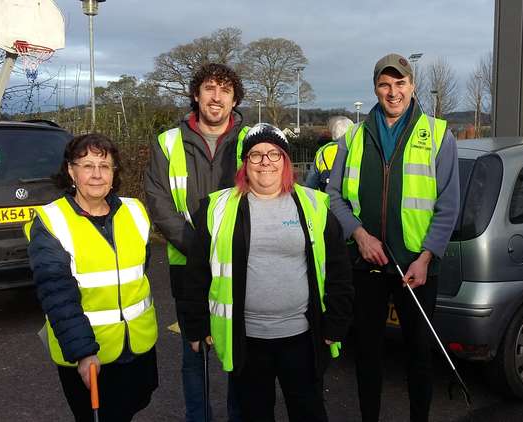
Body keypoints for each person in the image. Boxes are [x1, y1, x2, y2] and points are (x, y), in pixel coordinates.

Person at [176, 123, 355, 422]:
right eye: (256, 155)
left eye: (274, 154)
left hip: (301, 337)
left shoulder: (314, 205)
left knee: (308, 412)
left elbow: (339, 270)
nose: (265, 162)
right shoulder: (216, 207)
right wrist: (195, 326)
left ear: (285, 161)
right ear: (245, 164)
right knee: (254, 414)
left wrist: (336, 324)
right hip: (246, 340)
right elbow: (196, 274)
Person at [326, 53, 460, 422]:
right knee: (367, 355)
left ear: (412, 86)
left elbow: (448, 204)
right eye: (385, 84)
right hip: (365, 264)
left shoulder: (437, 134)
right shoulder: (353, 136)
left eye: (400, 83)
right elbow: (334, 197)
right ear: (375, 88)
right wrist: (359, 235)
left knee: (419, 354)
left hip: (415, 269)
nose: (393, 91)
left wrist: (427, 256)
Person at [26, 133, 158, 422]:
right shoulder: (52, 221)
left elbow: (140, 267)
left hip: (137, 346)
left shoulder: (135, 211)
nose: (97, 174)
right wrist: (84, 353)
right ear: (71, 171)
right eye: (87, 165)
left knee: (129, 409)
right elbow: (57, 294)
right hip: (89, 355)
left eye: (105, 165)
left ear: (114, 172)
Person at [145, 62, 248, 421]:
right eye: (209, 88)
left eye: (224, 90)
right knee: (194, 352)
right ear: (195, 94)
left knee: (239, 354)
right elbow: (157, 201)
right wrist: (198, 247)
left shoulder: (252, 139)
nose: (216, 97)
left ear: (234, 99)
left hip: (238, 262)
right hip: (186, 261)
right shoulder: (167, 142)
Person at [304, 116, 354, 190]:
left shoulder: (322, 152)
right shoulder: (357, 149)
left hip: (327, 199)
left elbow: (311, 184)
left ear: (334, 133)